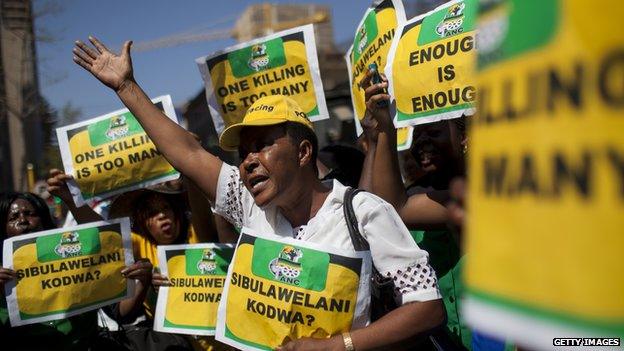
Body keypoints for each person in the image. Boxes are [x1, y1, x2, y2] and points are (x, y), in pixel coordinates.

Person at [73, 36, 447, 350]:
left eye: (262, 146)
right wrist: (126, 87)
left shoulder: (362, 212)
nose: (249, 160)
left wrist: (336, 346)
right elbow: (188, 154)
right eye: (244, 152)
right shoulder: (249, 205)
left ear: (303, 153)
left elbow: (427, 307)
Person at [358, 70, 471, 349]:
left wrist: (386, 130)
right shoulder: (417, 195)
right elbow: (374, 208)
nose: (421, 143)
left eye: (433, 132)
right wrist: (377, 134)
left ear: (466, 137)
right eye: (416, 134)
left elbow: (396, 208)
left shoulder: (491, 192)